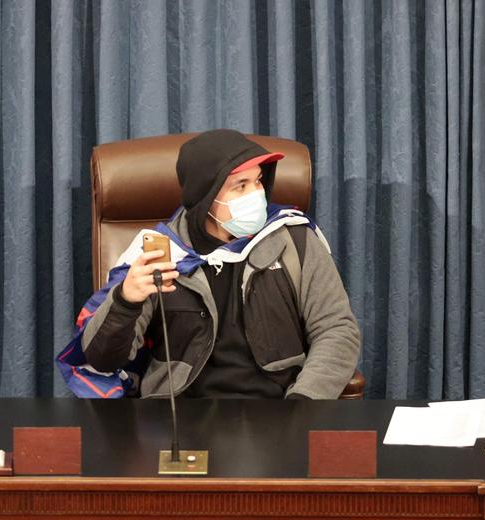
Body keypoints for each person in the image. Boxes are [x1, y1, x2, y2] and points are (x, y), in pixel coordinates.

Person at [56, 129, 360, 399]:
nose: (257, 194)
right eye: (240, 186)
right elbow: (103, 361)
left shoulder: (294, 239)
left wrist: (303, 404)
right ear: (206, 197)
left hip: (278, 409)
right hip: (177, 418)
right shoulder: (159, 255)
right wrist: (126, 301)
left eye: (258, 182)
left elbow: (336, 330)